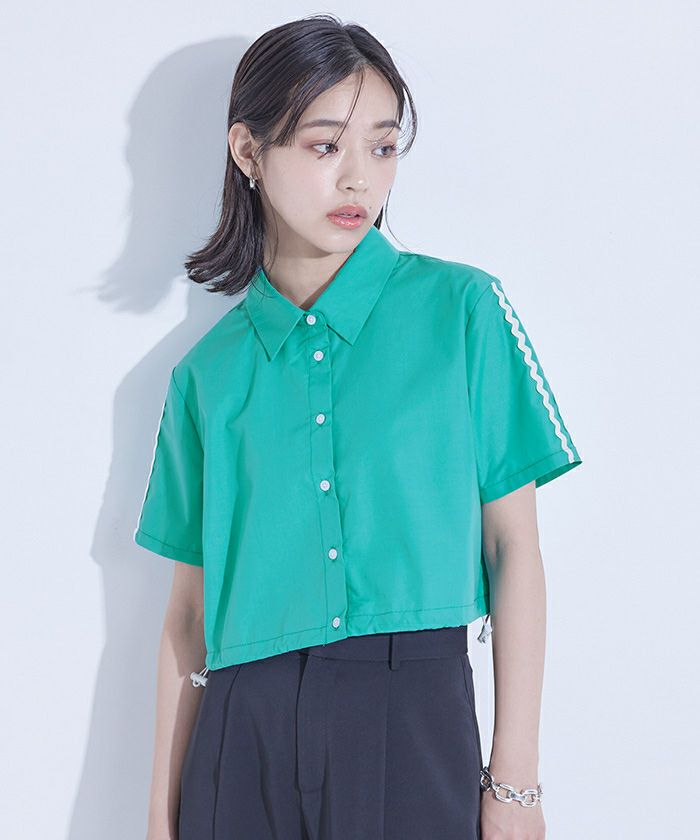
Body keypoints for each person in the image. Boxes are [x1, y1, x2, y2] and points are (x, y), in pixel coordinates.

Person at [134, 14, 582, 840]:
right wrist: (160, 823)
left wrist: (515, 782)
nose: (358, 179)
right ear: (248, 151)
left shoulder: (462, 312)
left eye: (381, 147)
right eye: (324, 145)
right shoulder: (206, 376)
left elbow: (514, 548)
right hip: (242, 736)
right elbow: (188, 620)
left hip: (412, 717)